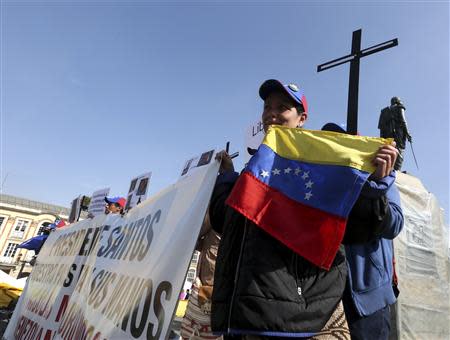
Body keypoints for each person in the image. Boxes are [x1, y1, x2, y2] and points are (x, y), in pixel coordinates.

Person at [210, 79, 352, 339]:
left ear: (302, 118)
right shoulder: (254, 169)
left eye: (282, 107)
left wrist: (376, 184)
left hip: (289, 320)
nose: (271, 114)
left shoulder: (319, 169)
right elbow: (225, 222)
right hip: (245, 316)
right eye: (267, 107)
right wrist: (228, 178)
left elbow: (361, 227)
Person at [321, 123, 404, 340]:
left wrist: (374, 185)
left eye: (347, 142)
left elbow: (395, 224)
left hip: (368, 303)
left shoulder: (383, 177)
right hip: (325, 297)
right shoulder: (324, 182)